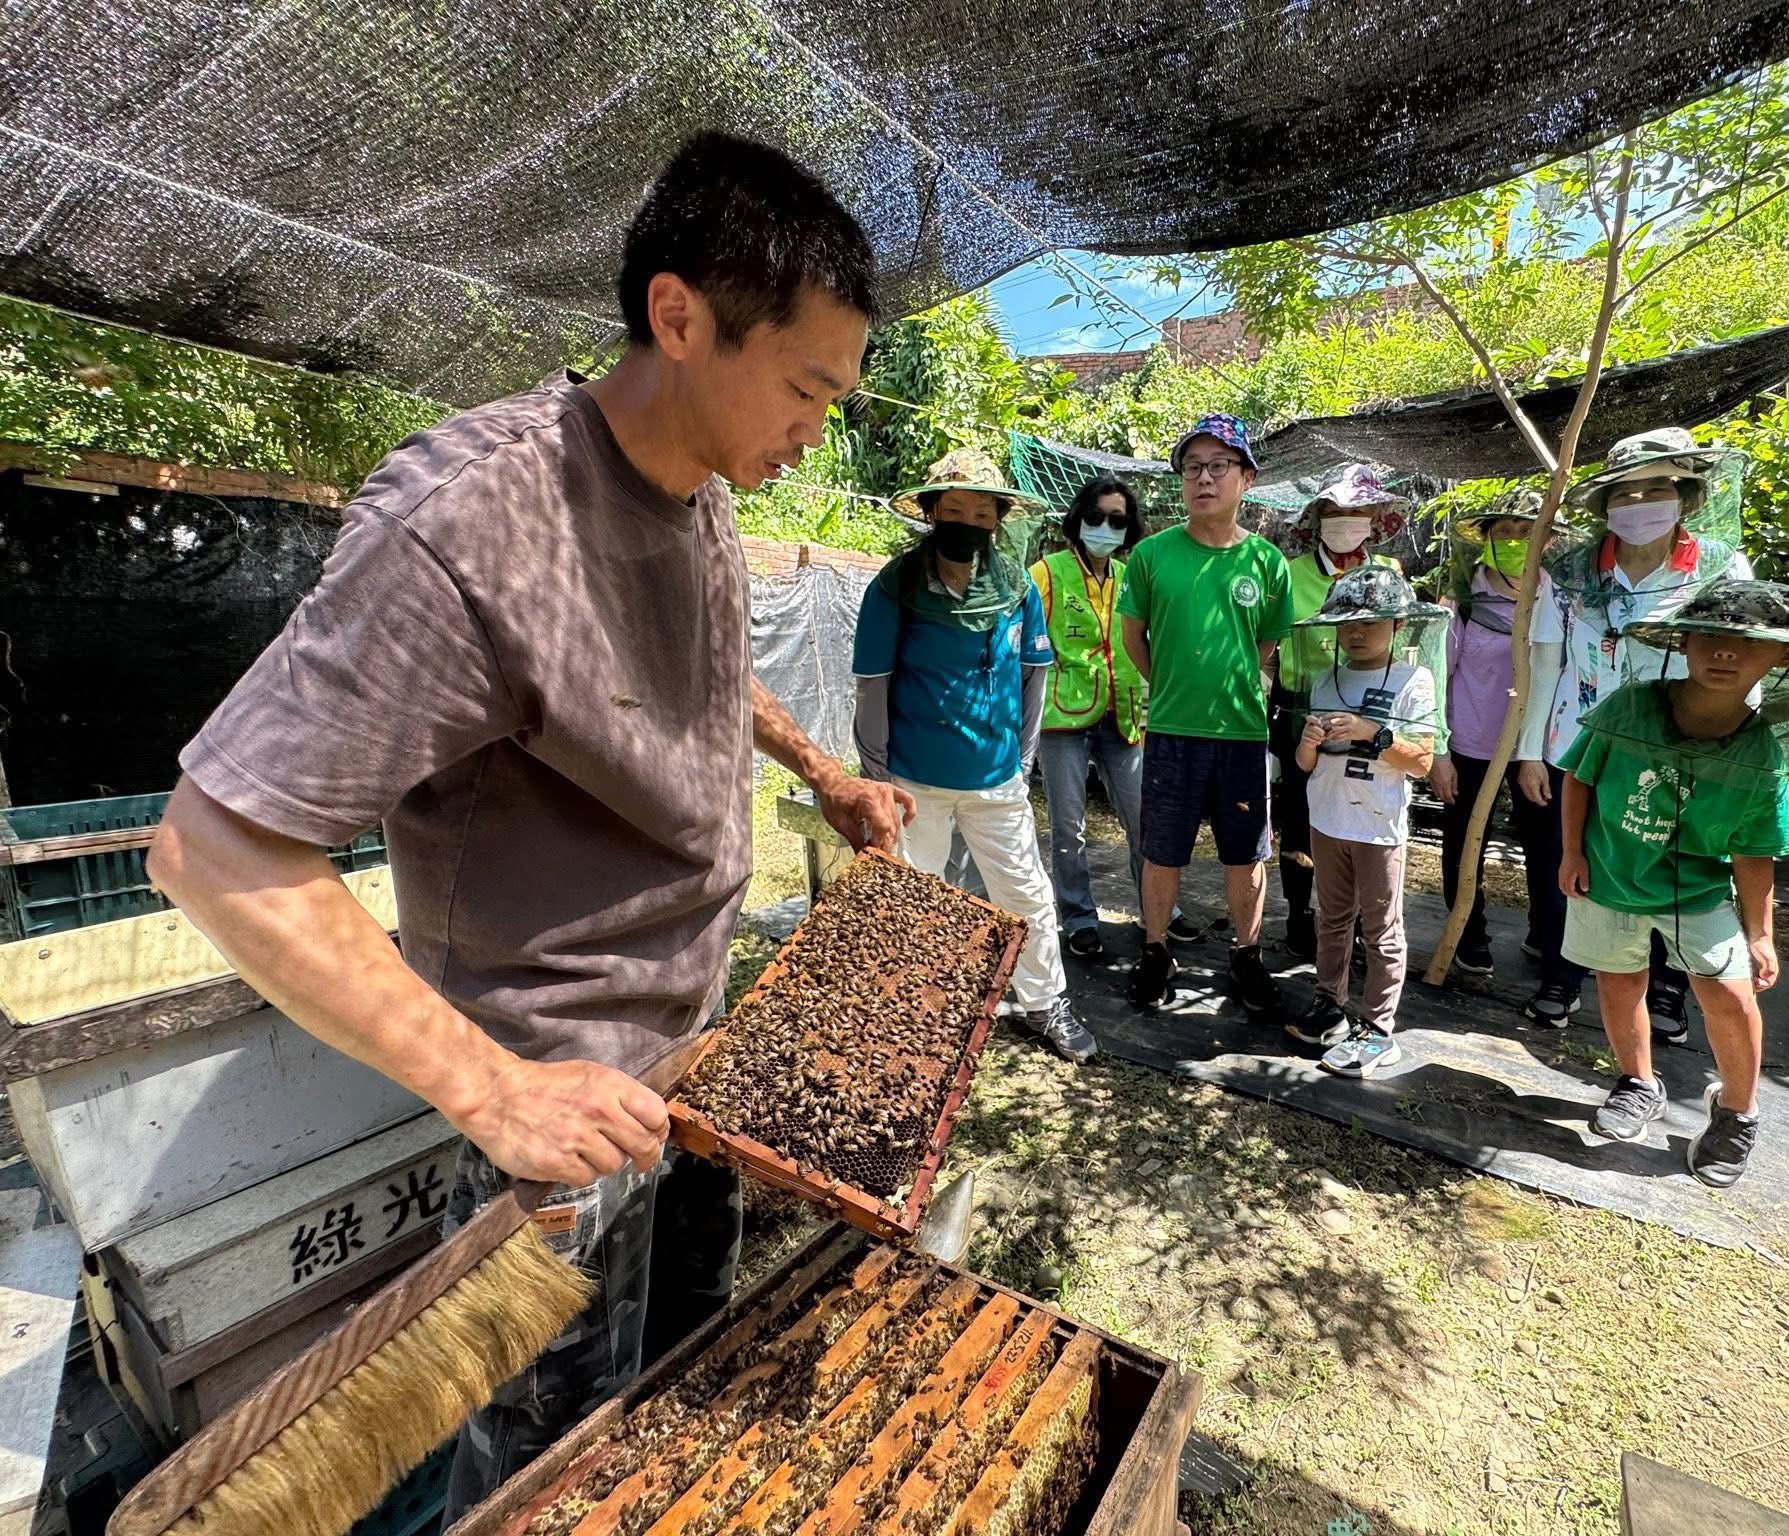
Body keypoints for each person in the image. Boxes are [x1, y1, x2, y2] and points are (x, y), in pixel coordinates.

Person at [144, 132, 914, 1520]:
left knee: (676, 1408)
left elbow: (704, 663)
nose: (819, 427)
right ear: (679, 317)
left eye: (836, 400)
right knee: (545, 1475)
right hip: (554, 1118)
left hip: (700, 1066)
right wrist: (495, 1091)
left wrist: (821, 771)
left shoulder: (703, 491)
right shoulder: (471, 523)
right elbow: (216, 846)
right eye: (807, 386)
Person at [1558, 581, 1789, 1187]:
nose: (1725, 653)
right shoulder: (1630, 707)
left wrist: (1761, 935)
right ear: (1684, 642)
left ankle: (1737, 1112)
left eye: (1747, 643)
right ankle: (1636, 1081)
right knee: (1619, 983)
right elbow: (1580, 776)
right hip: (1610, 875)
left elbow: (1755, 851)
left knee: (1729, 994)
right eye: (1711, 638)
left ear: (1784, 657)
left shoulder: (1761, 754)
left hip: (1700, 892)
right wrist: (1571, 851)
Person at [853, 449, 1096, 1063]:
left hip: (996, 781)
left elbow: (1035, 675)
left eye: (981, 512)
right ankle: (905, 1013)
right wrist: (877, 779)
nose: (967, 521)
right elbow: (873, 685)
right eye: (954, 509)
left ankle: (1045, 1004)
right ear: (932, 513)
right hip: (913, 781)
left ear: (998, 520)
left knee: (1027, 895)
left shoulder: (1017, 588)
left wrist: (1023, 758)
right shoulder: (895, 587)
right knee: (912, 899)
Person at [1517, 427, 1754, 1036]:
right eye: (1626, 492)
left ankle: (1669, 988)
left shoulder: (1720, 568)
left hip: (1686, 751)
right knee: (1568, 862)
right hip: (1576, 745)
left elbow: (1744, 658)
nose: (1641, 503)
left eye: (1657, 489)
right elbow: (1548, 663)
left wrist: (1735, 750)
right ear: (1605, 505)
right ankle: (1563, 975)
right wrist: (1530, 753)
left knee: (1674, 863)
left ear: (1686, 496)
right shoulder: (1569, 572)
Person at [1118, 413, 1292, 1015]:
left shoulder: (1268, 564)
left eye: (1220, 466)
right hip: (1170, 732)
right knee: (1162, 849)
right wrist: (1173, 686)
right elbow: (1134, 638)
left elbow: (1265, 645)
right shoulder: (1150, 556)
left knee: (1246, 854)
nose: (1204, 478)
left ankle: (1246, 956)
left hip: (1243, 733)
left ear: (1246, 478)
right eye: (1193, 467)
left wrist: (1226, 683)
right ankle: (1155, 951)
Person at [1026, 476, 1198, 958]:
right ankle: (1079, 917)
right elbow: (1020, 637)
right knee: (1068, 826)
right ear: (1079, 519)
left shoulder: (1131, 575)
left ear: (1129, 527)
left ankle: (1160, 909)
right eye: (1097, 517)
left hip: (1124, 716)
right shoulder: (1047, 572)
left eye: (1117, 520)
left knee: (1145, 819)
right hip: (1065, 718)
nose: (1105, 526)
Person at [1286, 568, 1443, 1074]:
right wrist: (1308, 743)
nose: (1355, 634)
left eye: (1370, 623)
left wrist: (1371, 733)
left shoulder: (1414, 680)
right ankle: (1329, 1000)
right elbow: (1306, 764)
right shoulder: (1325, 679)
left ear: (1398, 624)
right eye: (1346, 624)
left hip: (1378, 825)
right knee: (1331, 917)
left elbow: (1421, 761)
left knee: (1381, 927)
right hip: (1326, 818)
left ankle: (1378, 1028)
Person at [1271, 463, 1411, 960]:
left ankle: (1353, 921)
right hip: (1303, 716)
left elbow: (1407, 642)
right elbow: (1269, 648)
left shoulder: (1389, 575)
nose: (1346, 521)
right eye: (1335, 513)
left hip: (1372, 711)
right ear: (1318, 520)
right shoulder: (1291, 575)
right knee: (1301, 818)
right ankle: (1298, 914)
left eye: (1357, 512)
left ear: (1375, 518)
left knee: (1360, 813)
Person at [1430, 490, 1560, 978]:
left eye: (1527, 531)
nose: (1515, 540)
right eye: (1504, 531)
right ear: (1487, 539)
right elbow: (1436, 679)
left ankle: (1548, 935)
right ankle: (1469, 933)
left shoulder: (1559, 601)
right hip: (1469, 745)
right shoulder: (1461, 604)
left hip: (1538, 749)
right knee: (1465, 842)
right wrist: (1438, 751)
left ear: (1546, 540)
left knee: (1547, 846)